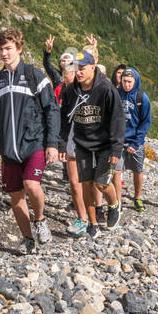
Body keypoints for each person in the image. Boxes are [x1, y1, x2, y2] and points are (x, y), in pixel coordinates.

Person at [0, 27, 59, 254]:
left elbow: (52, 110)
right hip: (8, 149)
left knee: (31, 184)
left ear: (19, 48)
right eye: (0, 50)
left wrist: (52, 144)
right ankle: (27, 239)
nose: (4, 53)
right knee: (15, 196)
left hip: (34, 143)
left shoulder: (34, 76)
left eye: (8, 48)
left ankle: (41, 220)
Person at [58, 50, 124, 238]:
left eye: (83, 68)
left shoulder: (106, 89)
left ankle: (114, 204)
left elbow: (117, 120)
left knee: (101, 183)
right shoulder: (71, 90)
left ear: (93, 67)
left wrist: (116, 148)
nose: (78, 72)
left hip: (104, 144)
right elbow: (64, 117)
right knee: (86, 183)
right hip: (82, 143)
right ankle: (92, 224)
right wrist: (62, 143)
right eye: (76, 68)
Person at [43, 36, 87, 236]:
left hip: (86, 138)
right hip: (68, 134)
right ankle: (83, 216)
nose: (68, 76)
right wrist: (48, 53)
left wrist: (93, 50)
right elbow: (47, 65)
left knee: (90, 180)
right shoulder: (62, 85)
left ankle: (101, 209)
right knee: (73, 179)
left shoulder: (86, 87)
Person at [116, 67, 151, 211]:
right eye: (124, 81)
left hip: (135, 143)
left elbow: (146, 122)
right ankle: (117, 203)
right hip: (118, 142)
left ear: (135, 81)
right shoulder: (116, 94)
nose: (127, 84)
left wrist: (136, 143)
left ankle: (137, 198)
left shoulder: (141, 97)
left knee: (137, 171)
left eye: (130, 81)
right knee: (117, 172)